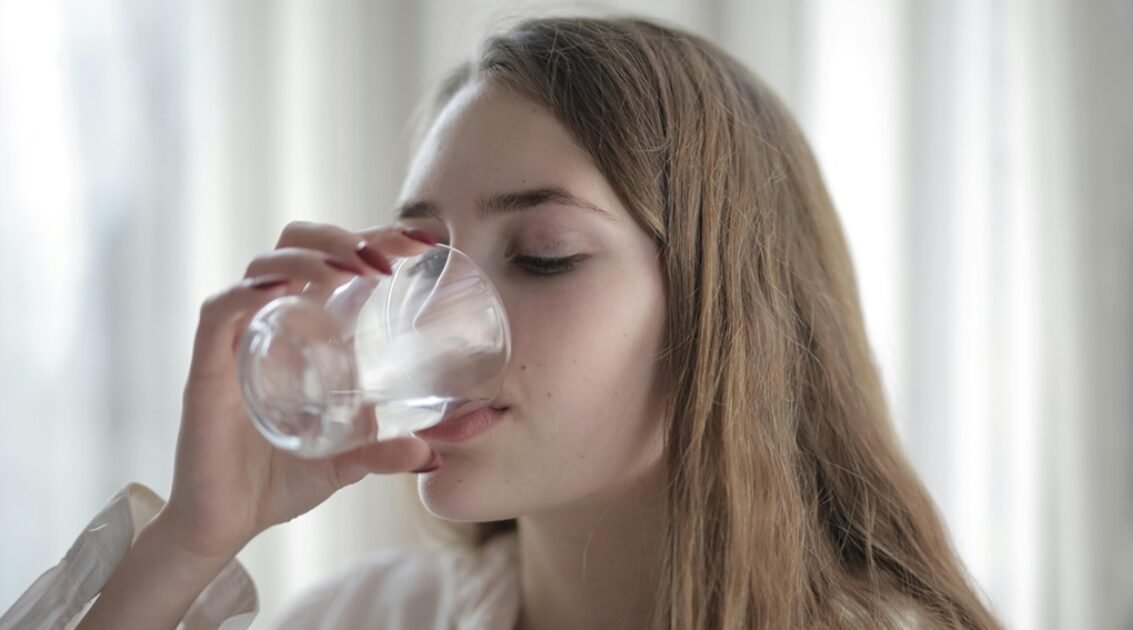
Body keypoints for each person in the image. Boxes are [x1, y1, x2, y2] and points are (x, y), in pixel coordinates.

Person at [2, 15, 1002, 630]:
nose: (439, 312)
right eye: (418, 257)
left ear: (721, 313)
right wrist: (190, 542)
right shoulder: (371, 619)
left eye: (543, 257)